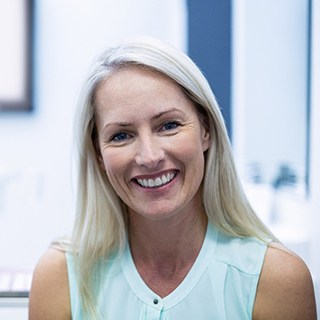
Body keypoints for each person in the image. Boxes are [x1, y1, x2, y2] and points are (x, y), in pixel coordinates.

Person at [29, 37, 317, 320]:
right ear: (98, 155)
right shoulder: (60, 277)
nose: (149, 156)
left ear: (206, 130)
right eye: (121, 135)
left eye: (169, 125)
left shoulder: (275, 279)